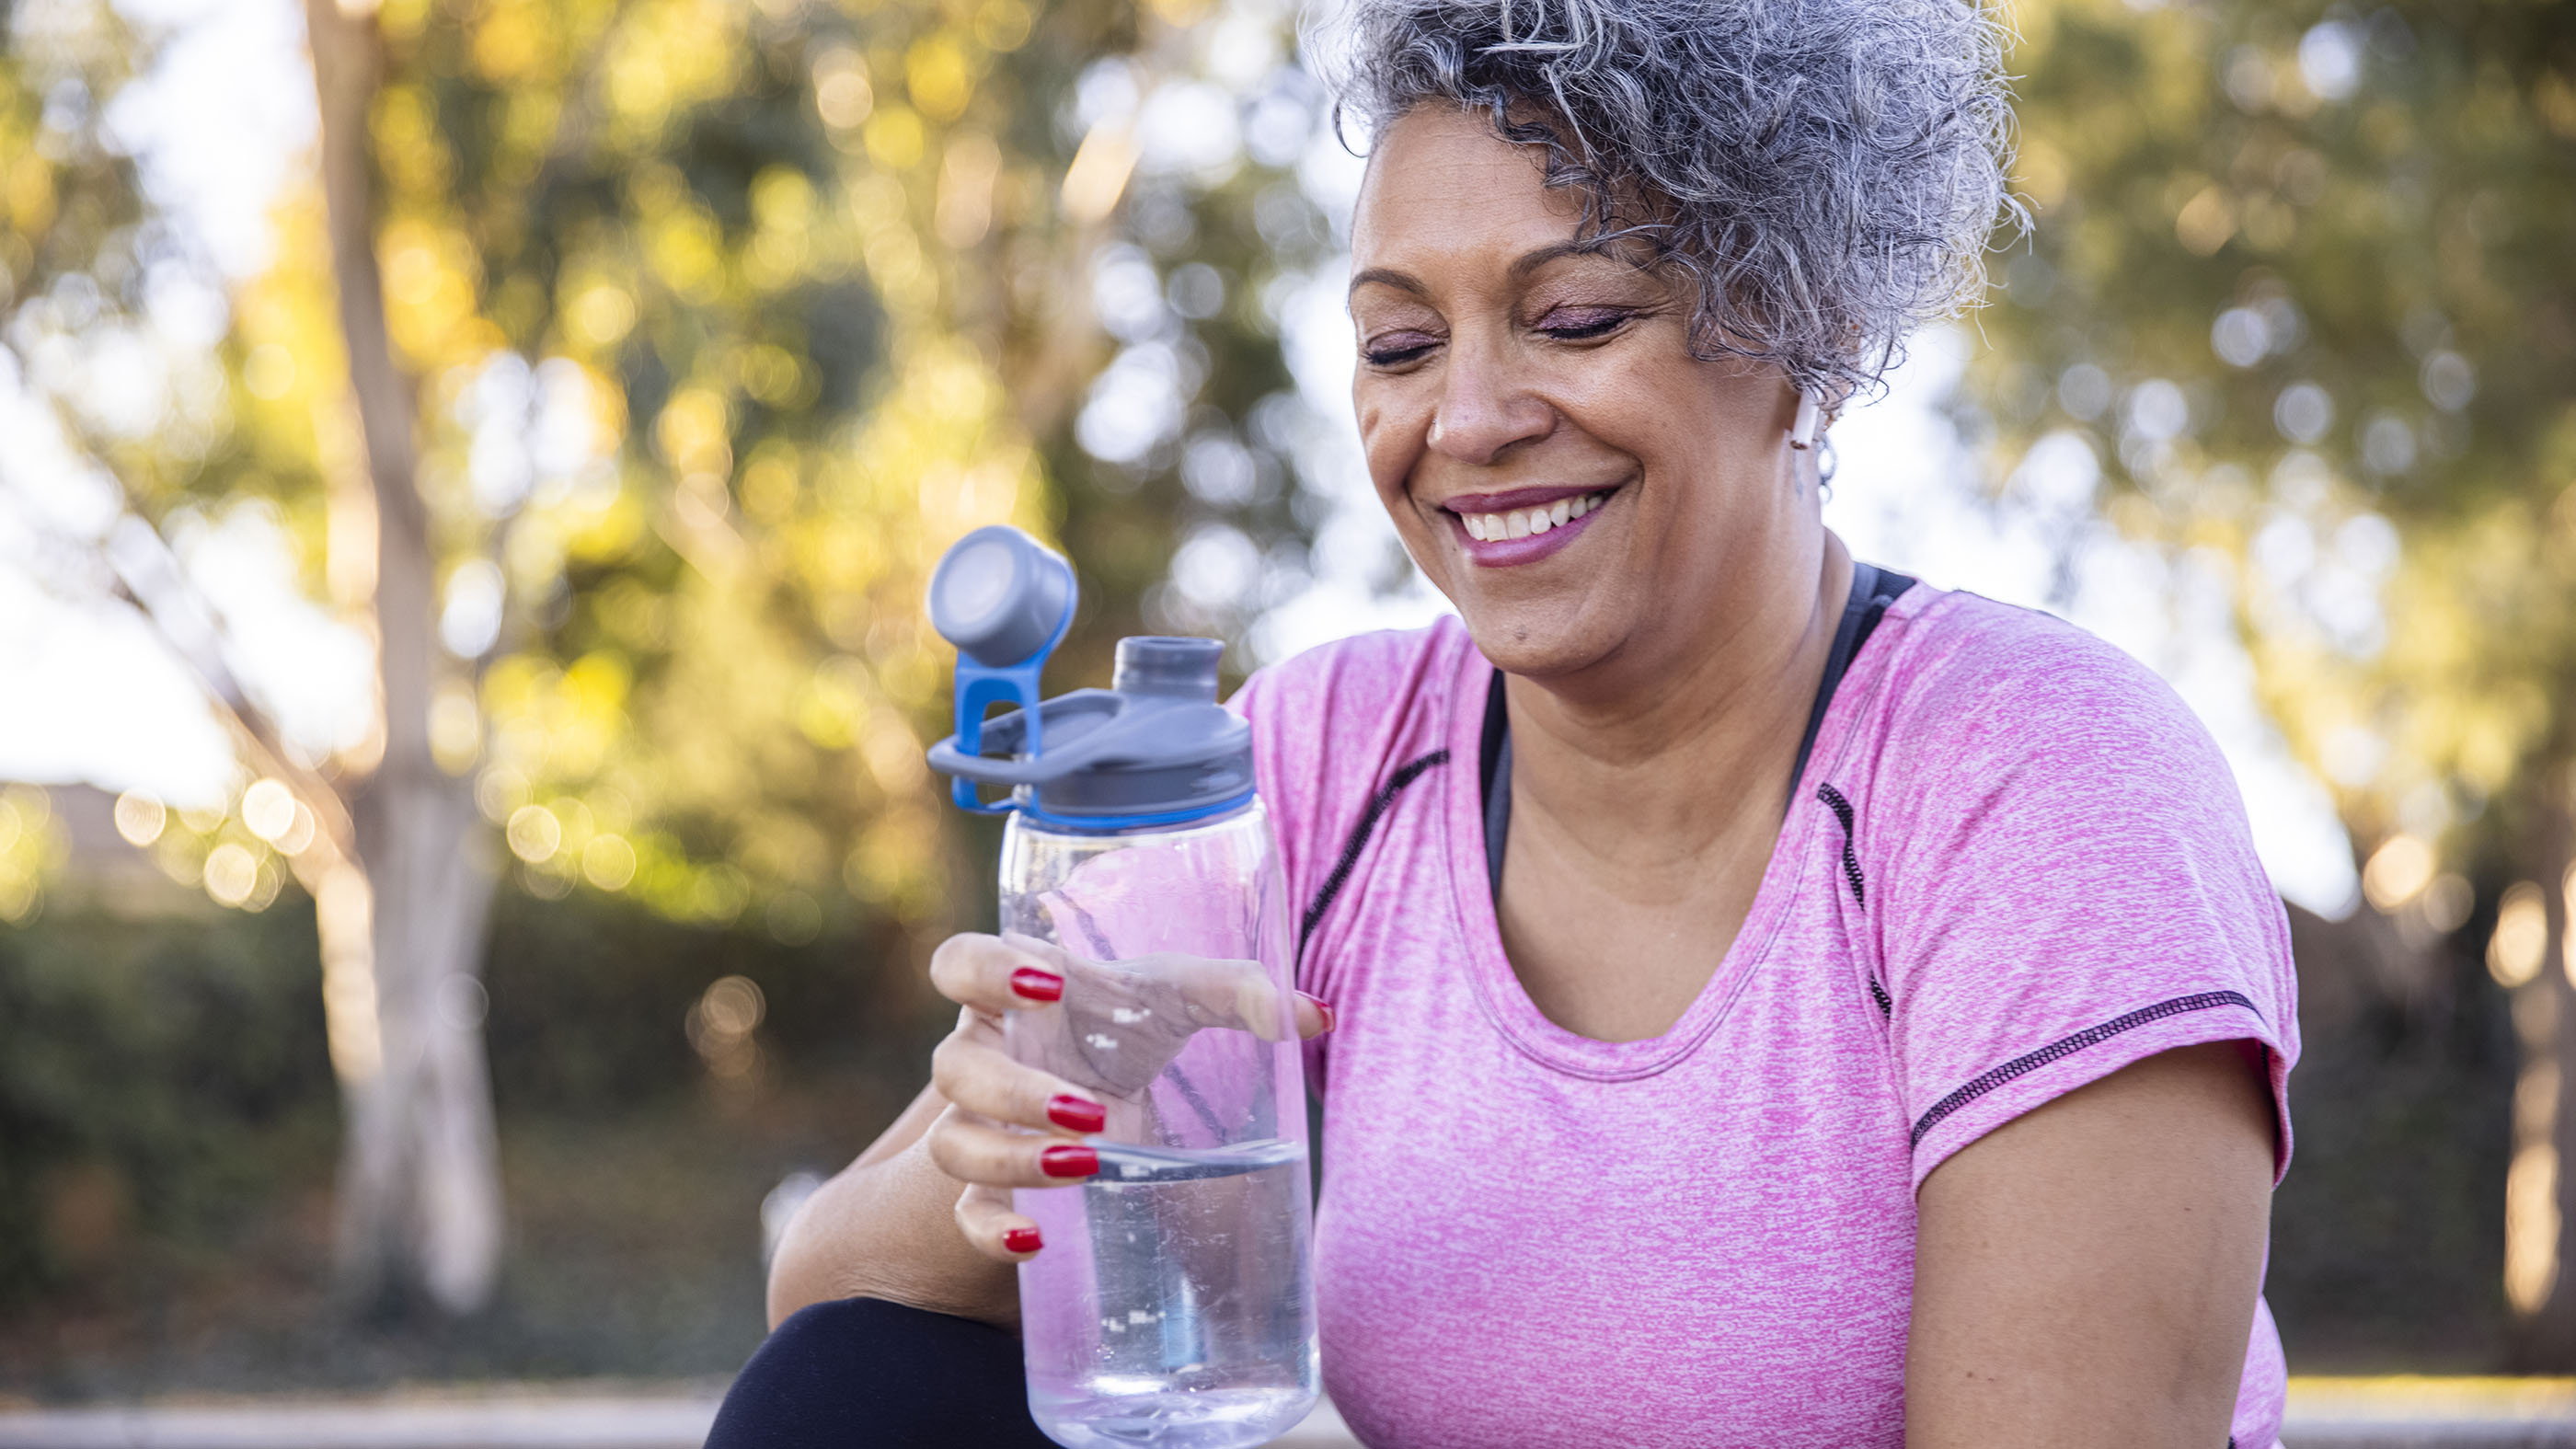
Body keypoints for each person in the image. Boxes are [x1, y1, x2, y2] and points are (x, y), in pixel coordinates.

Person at [713, 0, 2298, 1444]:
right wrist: (1008, 1155)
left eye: (1578, 316)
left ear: (1801, 338)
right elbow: (831, 1314)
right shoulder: (1323, 761)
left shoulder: (2039, 782)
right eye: (1401, 345)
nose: (1464, 421)